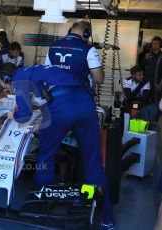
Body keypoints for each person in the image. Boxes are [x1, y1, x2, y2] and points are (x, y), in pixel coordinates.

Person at [42, 18, 115, 229]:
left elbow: (47, 76)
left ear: (71, 29)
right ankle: (106, 221)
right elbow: (99, 78)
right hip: (82, 106)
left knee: (45, 157)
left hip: (57, 106)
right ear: (86, 32)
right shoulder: (88, 49)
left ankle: (39, 210)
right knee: (93, 163)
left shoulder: (53, 47)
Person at [143, 36, 162, 102]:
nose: (155, 45)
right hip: (146, 83)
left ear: (160, 45)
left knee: (156, 102)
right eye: (153, 43)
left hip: (157, 84)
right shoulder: (147, 56)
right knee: (145, 101)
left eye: (157, 44)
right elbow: (142, 69)